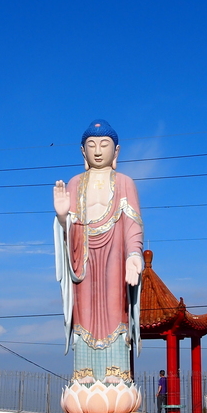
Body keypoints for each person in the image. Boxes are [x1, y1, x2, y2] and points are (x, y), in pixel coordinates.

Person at [53, 120, 144, 385]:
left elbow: (133, 224)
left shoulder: (125, 183)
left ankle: (116, 375)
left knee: (115, 309)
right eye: (91, 145)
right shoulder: (74, 183)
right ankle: (85, 376)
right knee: (85, 312)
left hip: (115, 253)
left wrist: (133, 257)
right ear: (83, 152)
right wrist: (61, 218)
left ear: (116, 152)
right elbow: (67, 227)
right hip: (83, 256)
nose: (97, 151)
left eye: (105, 145)